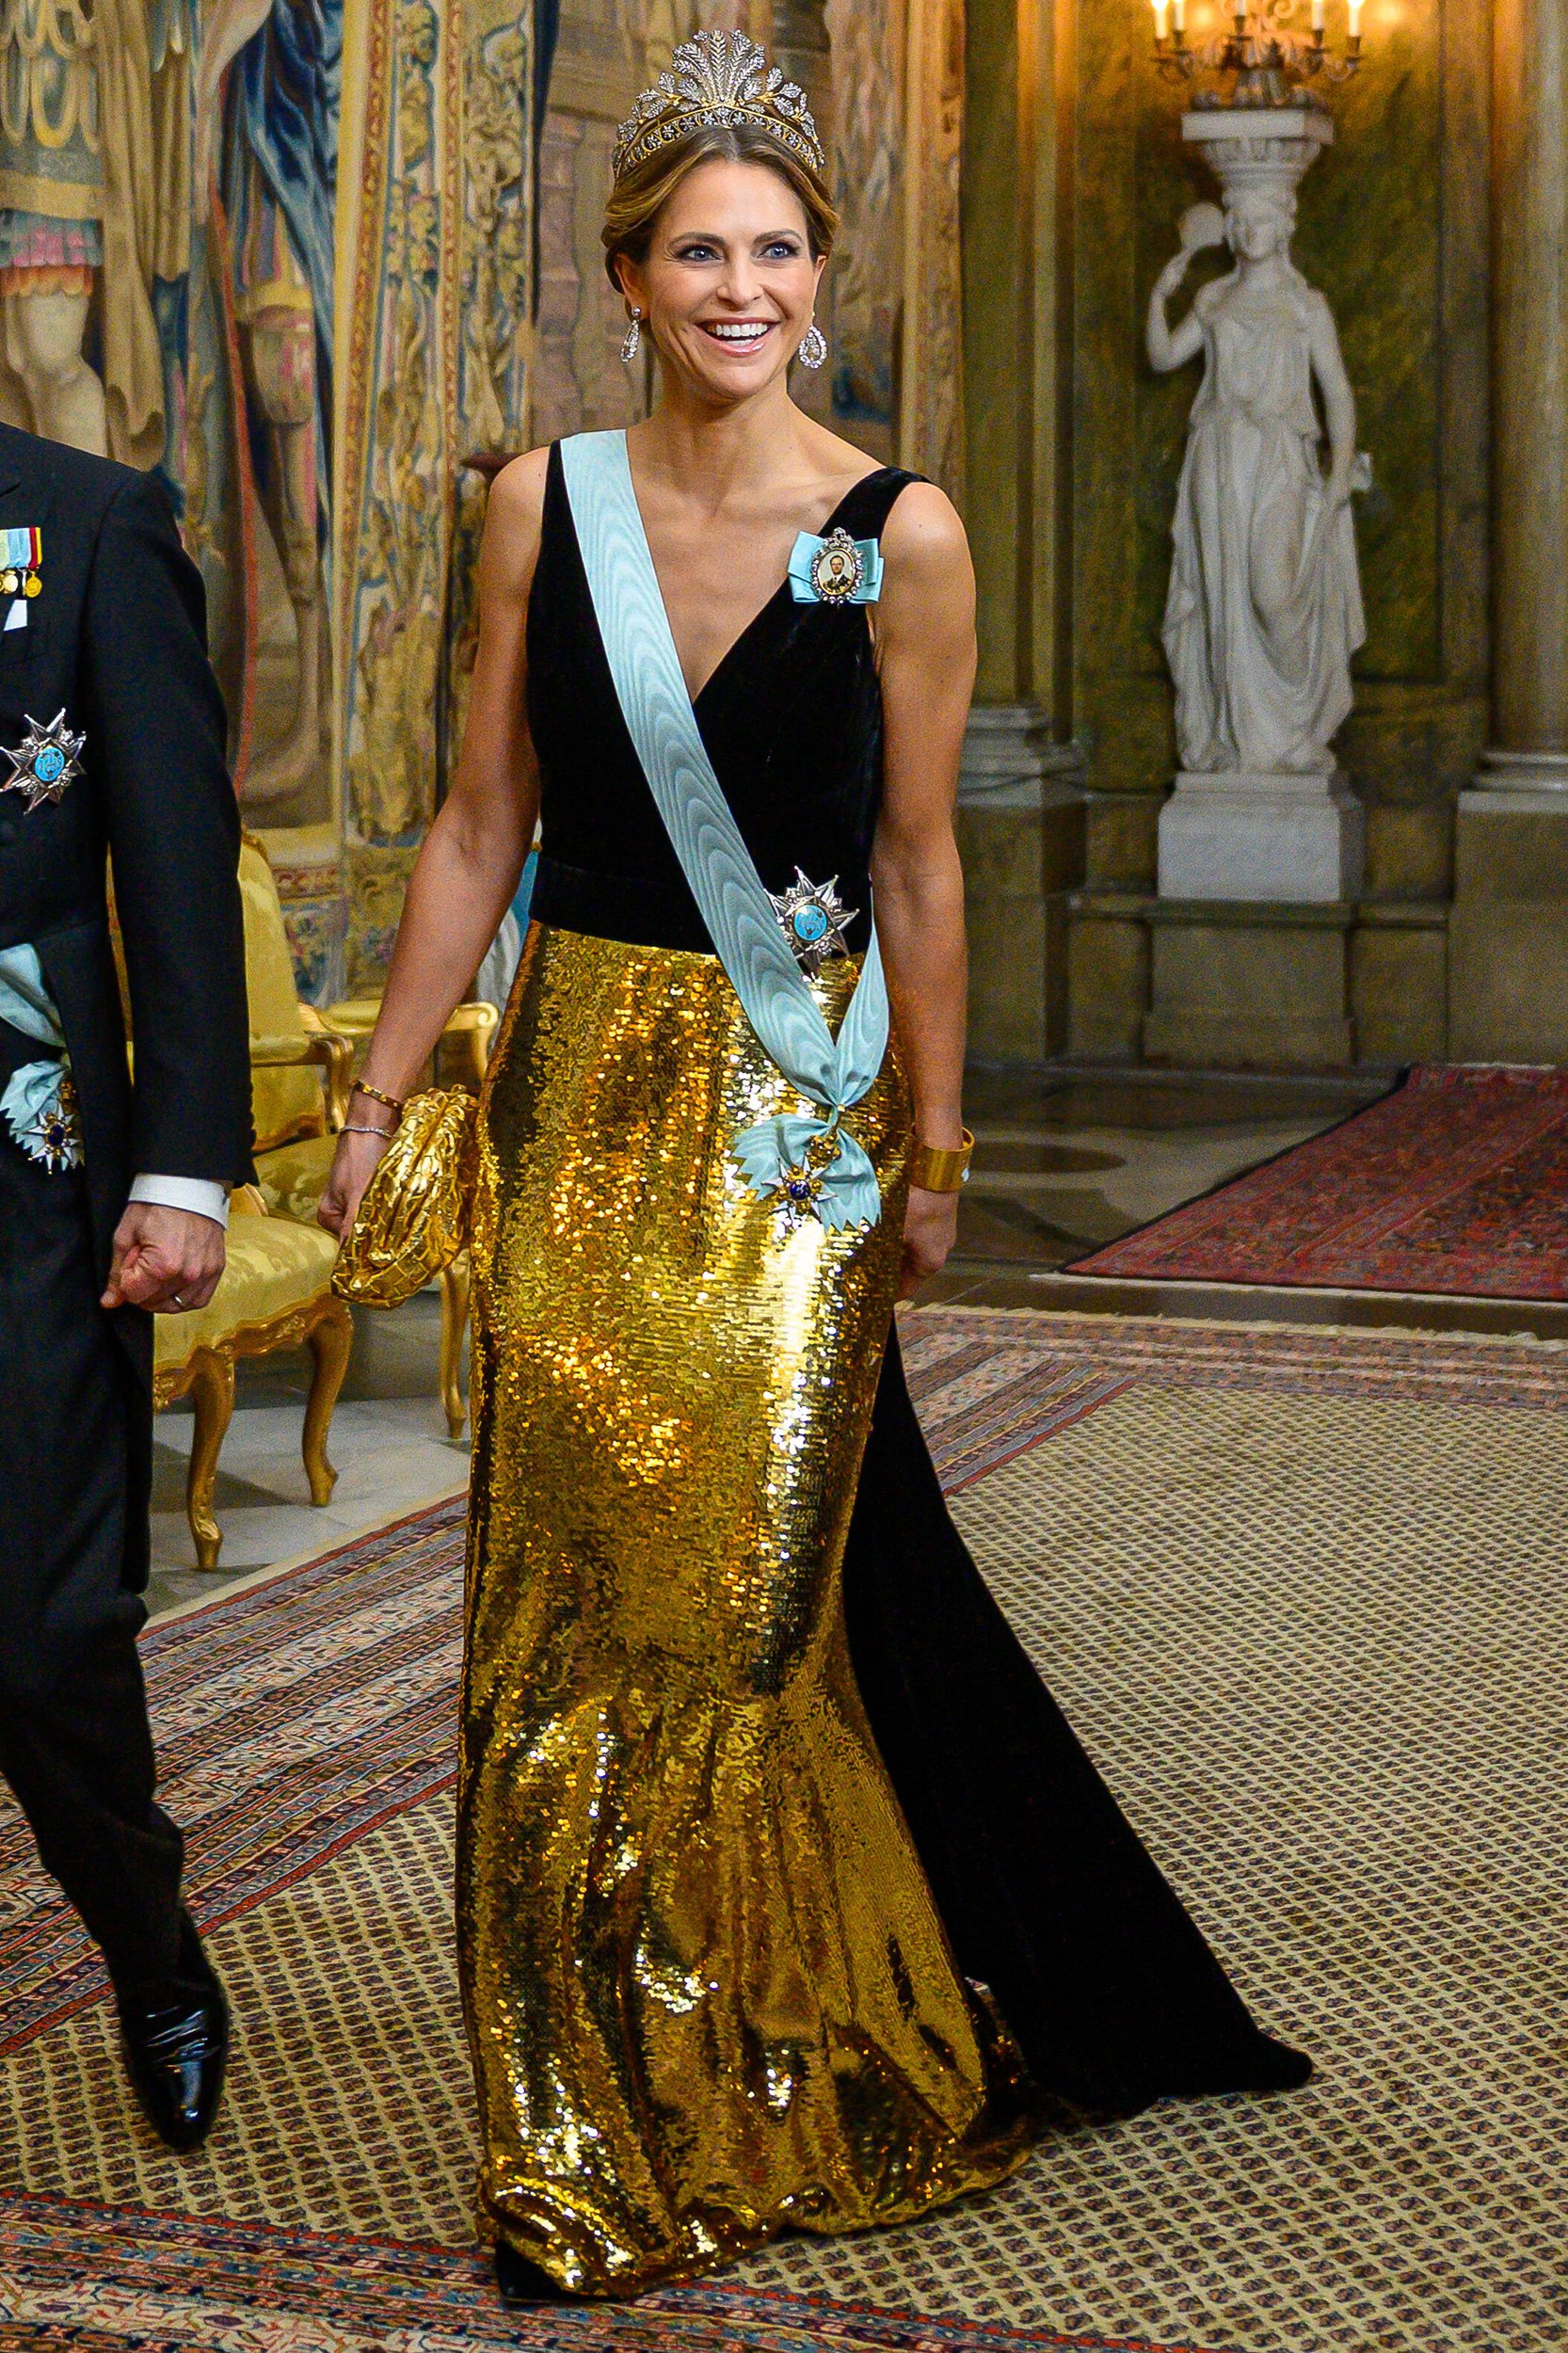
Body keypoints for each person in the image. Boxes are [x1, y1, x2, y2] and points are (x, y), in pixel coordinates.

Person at [319, 29, 1309, 2302]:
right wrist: (378, 1100)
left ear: (818, 274)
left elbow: (919, 862)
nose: (739, 288)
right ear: (627, 277)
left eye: (774, 250)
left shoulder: (899, 533)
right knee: (564, 1600)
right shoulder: (535, 503)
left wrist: (937, 1142)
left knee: (747, 1607)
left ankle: (766, 2064)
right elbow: (476, 823)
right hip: (578, 1096)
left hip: (791, 1121)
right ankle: (574, 2113)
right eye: (698, 252)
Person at [0, 420, 250, 2147]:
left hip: (22, 1148)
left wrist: (182, 1166)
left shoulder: (87, 520)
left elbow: (170, 844)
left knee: (39, 1635)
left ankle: (151, 1951)